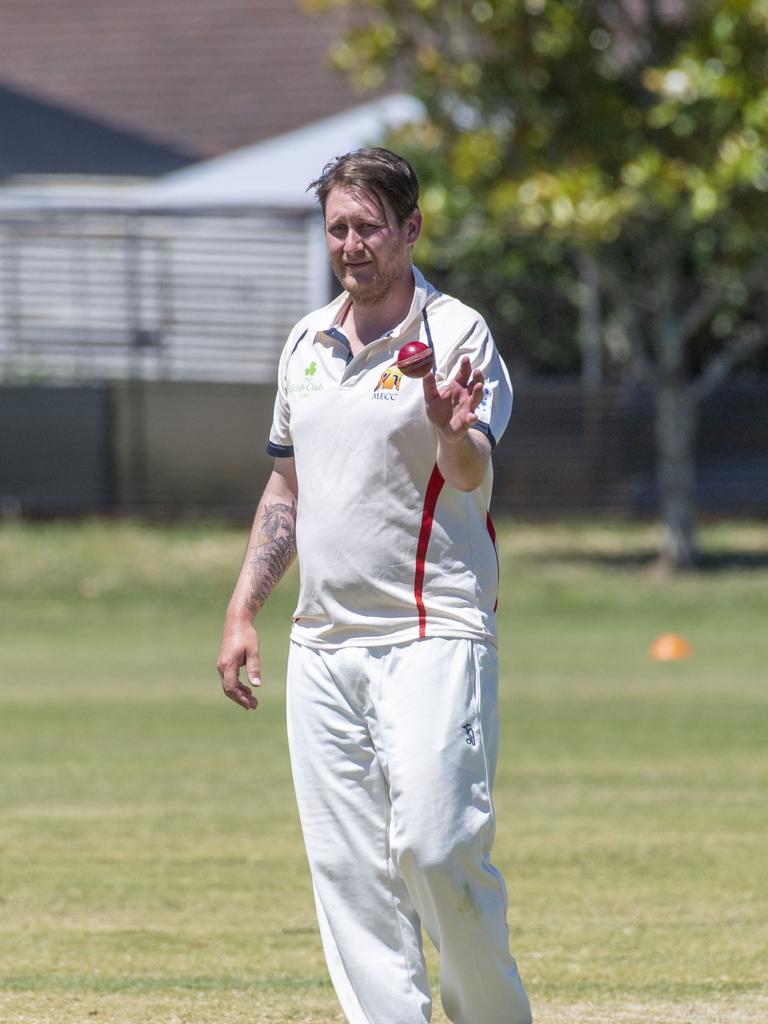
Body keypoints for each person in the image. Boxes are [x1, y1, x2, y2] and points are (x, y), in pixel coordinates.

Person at [217, 148, 532, 1024]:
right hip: (323, 646)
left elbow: (469, 473)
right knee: (352, 880)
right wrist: (245, 608)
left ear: (410, 228)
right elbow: (286, 488)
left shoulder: (456, 333)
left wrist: (449, 429)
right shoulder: (305, 343)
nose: (351, 246)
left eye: (368, 227)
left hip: (433, 633)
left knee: (438, 851)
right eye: (338, 229)